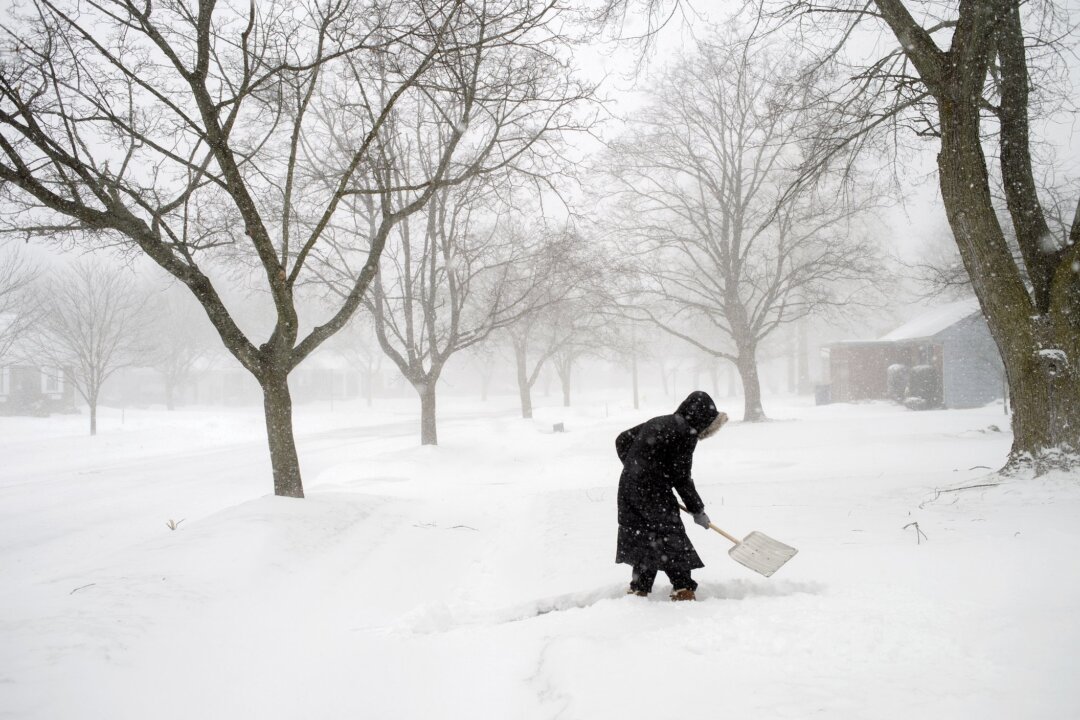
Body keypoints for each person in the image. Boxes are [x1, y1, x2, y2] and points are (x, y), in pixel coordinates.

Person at [615, 390, 728, 601]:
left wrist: (636, 468)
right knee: (671, 536)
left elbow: (622, 440)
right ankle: (683, 588)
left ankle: (639, 586)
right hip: (652, 492)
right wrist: (697, 510)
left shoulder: (660, 421)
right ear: (702, 417)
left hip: (628, 487)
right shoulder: (686, 434)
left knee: (644, 534)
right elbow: (681, 478)